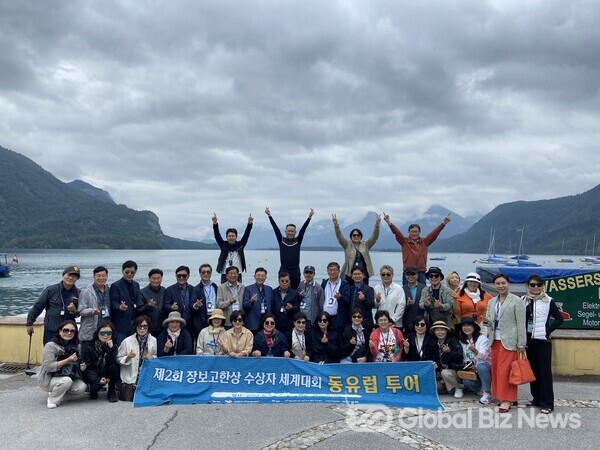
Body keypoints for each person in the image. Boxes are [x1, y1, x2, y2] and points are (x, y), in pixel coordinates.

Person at [483, 273, 526, 413]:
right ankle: (501, 396)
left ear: (508, 284)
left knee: (506, 371)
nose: (500, 286)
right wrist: (486, 321)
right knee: (496, 370)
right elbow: (489, 320)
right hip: (494, 339)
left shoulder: (517, 301)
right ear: (494, 285)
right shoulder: (491, 301)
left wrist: (521, 344)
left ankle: (507, 399)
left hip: (510, 340)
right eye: (498, 283)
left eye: (503, 283)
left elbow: (521, 324)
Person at [523, 274, 564, 414]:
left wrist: (547, 331)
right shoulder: (524, 300)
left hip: (543, 341)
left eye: (539, 285)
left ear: (542, 286)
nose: (535, 287)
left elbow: (559, 319)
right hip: (529, 341)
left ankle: (547, 403)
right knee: (533, 371)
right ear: (528, 286)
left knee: (544, 372)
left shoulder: (548, 301)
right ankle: (537, 399)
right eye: (532, 285)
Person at [383, 213, 451, 284]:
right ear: (409, 232)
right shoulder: (404, 242)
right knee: (407, 292)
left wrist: (443, 223)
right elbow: (397, 233)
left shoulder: (425, 242)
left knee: (422, 292)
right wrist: (389, 222)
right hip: (408, 272)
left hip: (421, 272)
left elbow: (434, 233)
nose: (414, 233)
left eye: (416, 231)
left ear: (419, 232)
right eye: (412, 231)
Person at [38, 319, 87, 409]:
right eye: (66, 330)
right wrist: (67, 360)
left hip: (69, 375)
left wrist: (82, 367)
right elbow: (48, 367)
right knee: (66, 380)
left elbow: (78, 363)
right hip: (50, 378)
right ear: (60, 331)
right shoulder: (51, 346)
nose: (69, 333)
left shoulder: (77, 345)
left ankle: (58, 394)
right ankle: (53, 399)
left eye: (72, 331)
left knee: (82, 387)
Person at [27, 265, 80, 345]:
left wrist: (74, 311)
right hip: (51, 330)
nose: (71, 278)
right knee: (50, 354)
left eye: (74, 276)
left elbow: (79, 313)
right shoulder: (51, 290)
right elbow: (38, 307)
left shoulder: (78, 293)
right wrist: (29, 323)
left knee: (70, 354)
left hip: (69, 332)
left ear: (77, 279)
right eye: (69, 275)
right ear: (63, 275)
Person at [265, 207, 314, 289]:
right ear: (285, 232)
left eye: (292, 231)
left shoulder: (298, 241)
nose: (290, 233)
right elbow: (275, 228)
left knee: (295, 291)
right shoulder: (281, 240)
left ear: (295, 232)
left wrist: (309, 217)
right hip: (284, 268)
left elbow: (303, 229)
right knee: (283, 289)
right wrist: (269, 215)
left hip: (295, 270)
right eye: (289, 231)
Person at [331, 213, 381, 284]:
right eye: (354, 235)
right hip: (350, 274)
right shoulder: (346, 244)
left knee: (363, 293)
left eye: (358, 235)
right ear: (351, 236)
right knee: (350, 293)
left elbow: (375, 237)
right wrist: (336, 224)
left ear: (361, 236)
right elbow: (339, 237)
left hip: (364, 275)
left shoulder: (366, 244)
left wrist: (377, 225)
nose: (356, 236)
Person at [117, 315, 157, 402]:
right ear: (135, 327)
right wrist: (128, 357)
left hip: (146, 374)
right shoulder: (127, 341)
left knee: (147, 398)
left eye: (145, 326)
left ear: (148, 327)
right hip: (131, 375)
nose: (142, 329)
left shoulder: (153, 340)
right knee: (129, 398)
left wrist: (152, 358)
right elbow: (118, 358)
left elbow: (156, 355)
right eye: (139, 326)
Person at [424, 320, 464, 398]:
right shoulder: (432, 342)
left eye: (442, 330)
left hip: (452, 371)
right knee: (436, 387)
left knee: (445, 373)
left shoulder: (453, 341)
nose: (440, 332)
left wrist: (449, 352)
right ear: (434, 332)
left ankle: (458, 388)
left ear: (446, 331)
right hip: (439, 373)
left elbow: (459, 358)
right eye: (437, 330)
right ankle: (448, 388)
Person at [457, 317, 492, 405]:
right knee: (466, 381)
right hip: (471, 368)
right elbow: (465, 358)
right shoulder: (462, 341)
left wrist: (474, 351)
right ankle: (480, 388)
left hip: (484, 366)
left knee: (481, 367)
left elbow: (483, 357)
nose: (466, 327)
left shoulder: (482, 338)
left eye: (469, 325)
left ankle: (487, 393)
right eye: (464, 325)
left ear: (474, 327)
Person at [81, 322, 119, 402]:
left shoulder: (113, 345)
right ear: (97, 333)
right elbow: (87, 368)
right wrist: (98, 379)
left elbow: (113, 361)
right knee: (94, 387)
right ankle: (93, 390)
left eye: (108, 333)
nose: (105, 335)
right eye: (102, 333)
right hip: (93, 373)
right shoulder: (89, 346)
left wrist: (111, 349)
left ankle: (111, 391)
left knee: (114, 366)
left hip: (106, 372)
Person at [212, 213, 253, 283]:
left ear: (236, 237)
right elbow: (217, 236)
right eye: (229, 236)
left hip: (238, 274)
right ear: (226, 237)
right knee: (224, 293)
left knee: (239, 293)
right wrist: (215, 223)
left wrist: (249, 224)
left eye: (233, 236)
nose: (231, 237)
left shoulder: (240, 245)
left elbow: (246, 235)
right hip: (225, 274)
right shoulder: (223, 245)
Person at [164, 265, 201, 339]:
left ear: (188, 276)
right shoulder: (170, 289)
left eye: (184, 276)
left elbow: (193, 304)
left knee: (190, 342)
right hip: (176, 323)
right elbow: (165, 305)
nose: (181, 278)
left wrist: (196, 305)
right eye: (179, 276)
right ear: (176, 276)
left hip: (190, 322)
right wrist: (172, 307)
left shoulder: (192, 289)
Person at [78, 266, 111, 347]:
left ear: (107, 276)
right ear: (94, 277)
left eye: (103, 276)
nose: (101, 278)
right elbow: (81, 310)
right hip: (91, 330)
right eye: (98, 276)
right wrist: (91, 311)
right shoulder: (86, 291)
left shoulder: (109, 290)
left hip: (105, 331)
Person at [110, 260, 141, 346]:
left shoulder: (136, 284)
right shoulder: (116, 285)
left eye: (132, 272)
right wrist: (120, 307)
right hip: (121, 324)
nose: (129, 274)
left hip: (133, 322)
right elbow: (113, 303)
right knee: (121, 348)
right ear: (122, 271)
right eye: (127, 272)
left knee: (132, 348)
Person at [320, 261, 352, 337]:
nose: (332, 272)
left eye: (334, 270)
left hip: (338, 318)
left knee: (338, 339)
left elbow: (347, 300)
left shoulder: (344, 284)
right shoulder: (324, 283)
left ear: (339, 271)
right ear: (327, 271)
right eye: (330, 270)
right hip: (325, 318)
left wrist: (340, 297)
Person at [137, 268, 167, 337]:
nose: (156, 280)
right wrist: (148, 305)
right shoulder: (142, 292)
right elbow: (138, 310)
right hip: (149, 327)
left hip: (163, 327)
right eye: (153, 278)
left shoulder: (164, 290)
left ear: (161, 278)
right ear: (149, 278)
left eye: (158, 278)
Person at [242, 267, 273, 334]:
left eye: (262, 276)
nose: (260, 277)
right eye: (258, 275)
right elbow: (245, 305)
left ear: (265, 277)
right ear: (254, 276)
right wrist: (251, 301)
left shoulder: (269, 289)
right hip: (253, 323)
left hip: (266, 323)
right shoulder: (248, 289)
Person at [298, 265, 324, 330]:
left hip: (311, 320)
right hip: (300, 318)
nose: (308, 274)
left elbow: (321, 305)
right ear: (303, 274)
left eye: (310, 272)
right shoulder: (301, 285)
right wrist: (299, 295)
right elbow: (296, 299)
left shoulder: (318, 287)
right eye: (306, 272)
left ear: (314, 274)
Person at [194, 263, 219, 328]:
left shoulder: (215, 286)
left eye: (208, 272)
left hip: (215, 316)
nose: (206, 274)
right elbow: (191, 305)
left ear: (211, 273)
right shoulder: (196, 289)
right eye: (203, 272)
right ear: (200, 274)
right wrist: (196, 305)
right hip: (203, 318)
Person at [402, 268, 426, 333]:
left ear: (417, 276)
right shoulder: (402, 289)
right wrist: (407, 305)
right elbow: (400, 307)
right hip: (407, 323)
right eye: (408, 275)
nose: (410, 276)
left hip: (421, 322)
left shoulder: (424, 288)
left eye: (413, 274)